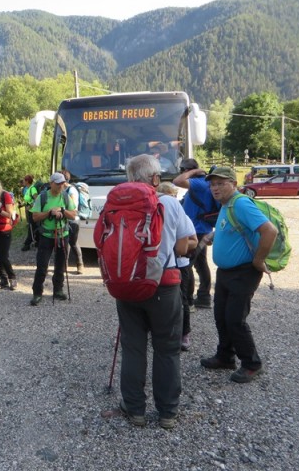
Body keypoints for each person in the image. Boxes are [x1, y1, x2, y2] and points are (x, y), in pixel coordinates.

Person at [115, 155, 194, 430]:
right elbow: (184, 246)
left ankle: (135, 409)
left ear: (129, 178)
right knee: (167, 349)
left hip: (127, 286)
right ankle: (167, 413)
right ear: (156, 179)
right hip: (164, 284)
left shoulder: (115, 205)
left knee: (133, 347)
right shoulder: (170, 203)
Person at [200, 167, 277, 383]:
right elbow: (233, 227)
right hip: (226, 273)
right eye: (212, 184)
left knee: (235, 319)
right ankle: (225, 357)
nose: (215, 188)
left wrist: (259, 260)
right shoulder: (227, 204)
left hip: (243, 272)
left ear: (233, 183)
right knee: (221, 316)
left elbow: (269, 230)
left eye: (220, 183)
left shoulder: (240, 202)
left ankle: (252, 364)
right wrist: (214, 235)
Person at [158, 181, 198, 351]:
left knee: (181, 301)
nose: (172, 200)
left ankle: (184, 334)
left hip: (179, 264)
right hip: (163, 263)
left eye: (173, 196)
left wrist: (174, 246)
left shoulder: (183, 215)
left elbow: (193, 242)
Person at [173, 158, 216, 309]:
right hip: (200, 228)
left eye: (182, 170)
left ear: (186, 170)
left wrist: (195, 171)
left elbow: (177, 181)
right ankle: (203, 296)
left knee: (188, 264)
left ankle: (189, 298)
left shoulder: (199, 182)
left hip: (196, 230)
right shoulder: (202, 183)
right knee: (200, 263)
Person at [29, 172, 77, 305]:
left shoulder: (66, 196)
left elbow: (73, 215)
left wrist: (62, 211)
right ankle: (37, 293)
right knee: (42, 265)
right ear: (51, 184)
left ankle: (58, 290)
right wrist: (49, 213)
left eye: (62, 183)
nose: (61, 185)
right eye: (58, 183)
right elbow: (35, 217)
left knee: (61, 265)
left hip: (63, 235)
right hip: (46, 236)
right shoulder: (42, 197)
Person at [61, 169, 84, 274]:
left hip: (73, 221)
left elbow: (73, 207)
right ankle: (64, 265)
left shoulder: (71, 190)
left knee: (73, 243)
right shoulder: (62, 190)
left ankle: (80, 265)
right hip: (64, 220)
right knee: (65, 243)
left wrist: (61, 209)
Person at [21, 174, 40, 251]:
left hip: (33, 211)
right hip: (30, 211)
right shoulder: (28, 189)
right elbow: (28, 200)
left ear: (27, 181)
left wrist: (31, 206)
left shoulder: (33, 189)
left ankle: (27, 244)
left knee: (31, 227)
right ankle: (37, 242)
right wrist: (22, 204)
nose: (23, 182)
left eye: (24, 180)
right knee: (33, 227)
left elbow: (37, 199)